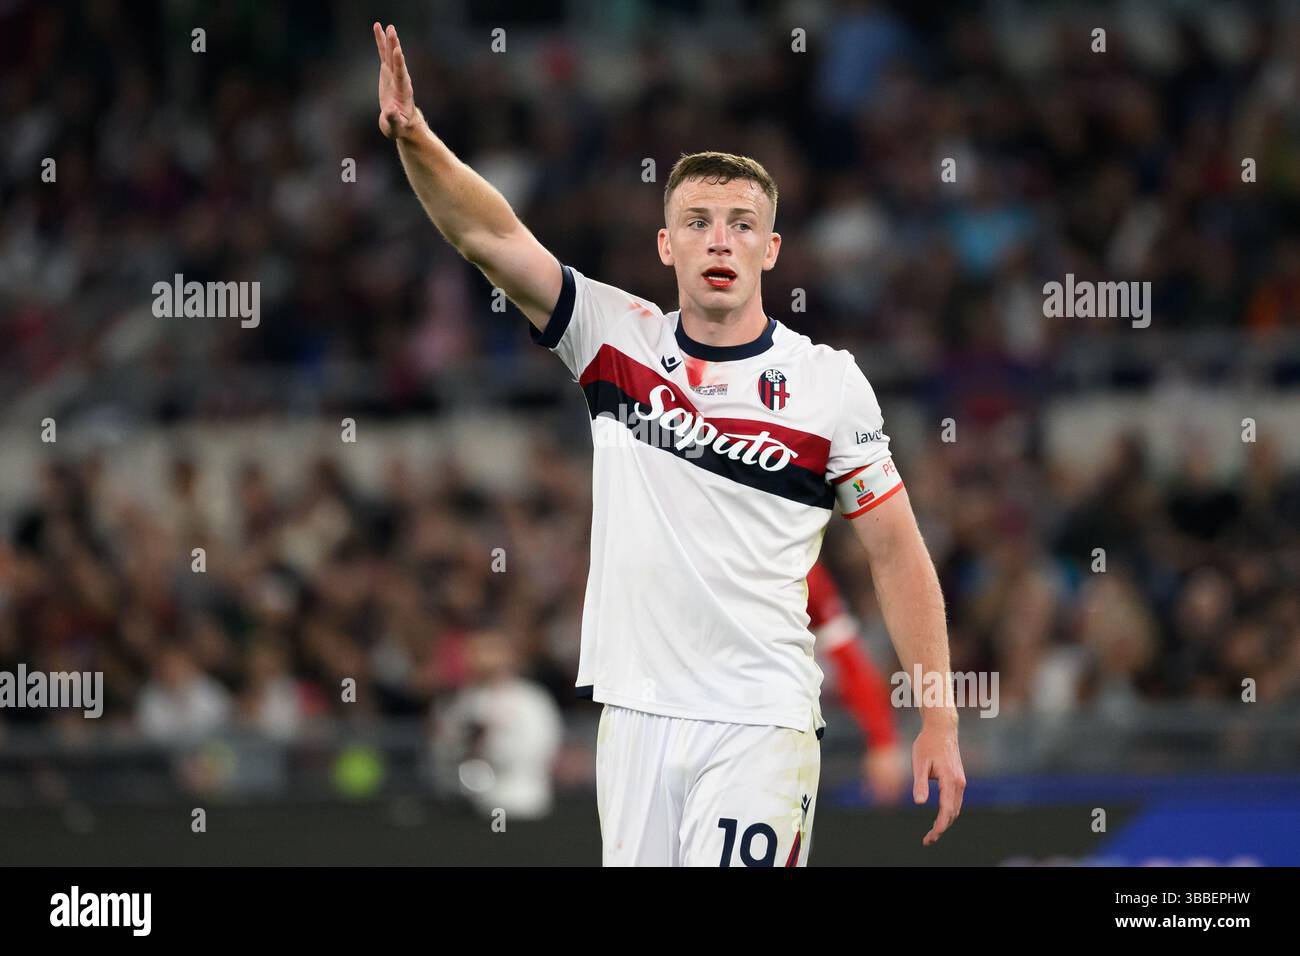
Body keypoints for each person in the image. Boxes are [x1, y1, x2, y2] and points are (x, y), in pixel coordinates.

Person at [373, 22, 964, 866]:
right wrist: (419, 141)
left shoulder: (829, 383)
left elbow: (898, 553)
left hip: (761, 718)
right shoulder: (614, 339)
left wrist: (936, 713)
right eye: (697, 221)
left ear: (770, 248)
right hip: (636, 714)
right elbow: (493, 239)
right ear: (666, 244)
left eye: (739, 223)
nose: (719, 239)